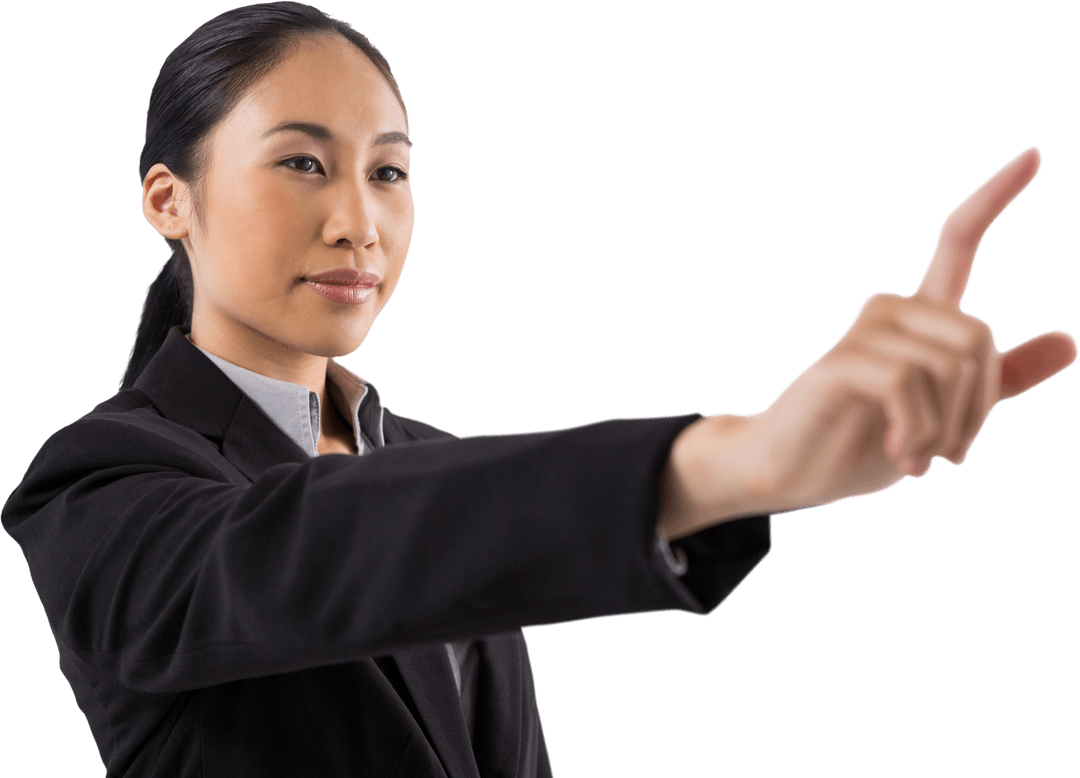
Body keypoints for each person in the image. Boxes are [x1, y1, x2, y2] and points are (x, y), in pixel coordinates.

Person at [1, 2, 1075, 777]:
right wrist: (739, 458)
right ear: (166, 198)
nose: (358, 223)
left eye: (387, 170)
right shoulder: (101, 483)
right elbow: (309, 548)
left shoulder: (420, 454)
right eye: (301, 163)